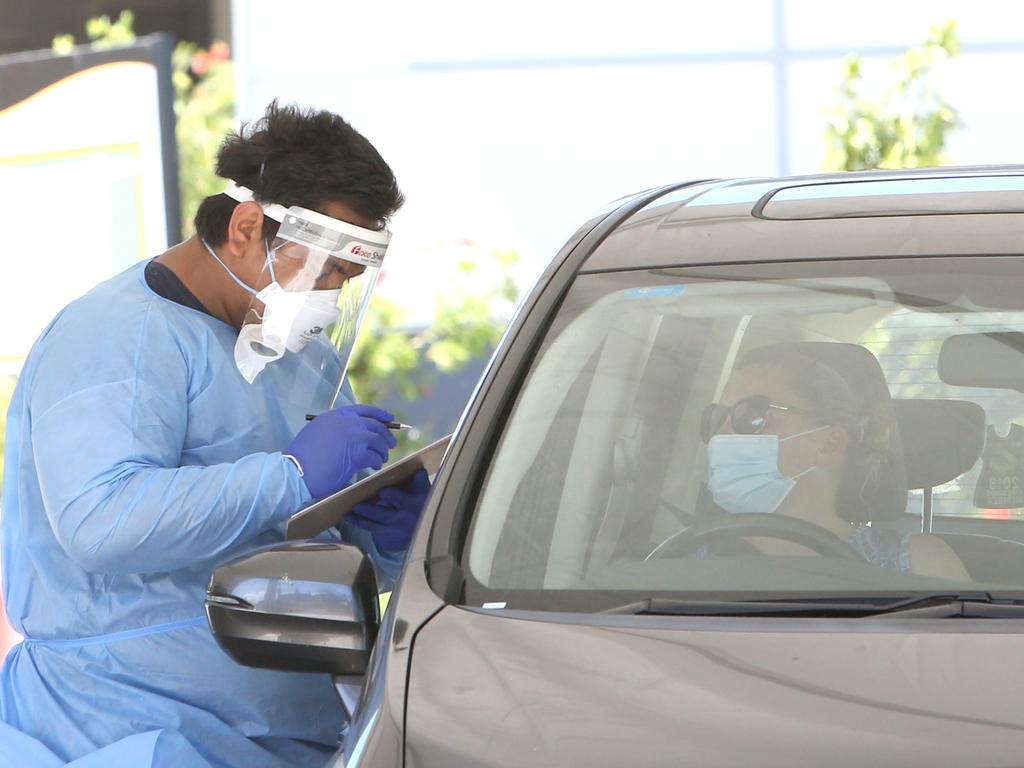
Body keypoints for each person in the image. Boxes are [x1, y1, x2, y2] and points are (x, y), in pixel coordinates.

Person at [0, 102, 429, 767]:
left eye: (345, 280)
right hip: (130, 729)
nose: (329, 299)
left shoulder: (295, 356)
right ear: (248, 226)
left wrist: (386, 535)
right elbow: (99, 522)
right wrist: (287, 477)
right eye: (321, 271)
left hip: (284, 732)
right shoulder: (116, 336)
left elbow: (288, 538)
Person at [701, 343, 969, 577]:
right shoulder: (678, 563)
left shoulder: (918, 565)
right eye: (715, 417)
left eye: (750, 414)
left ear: (829, 444)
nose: (722, 432)